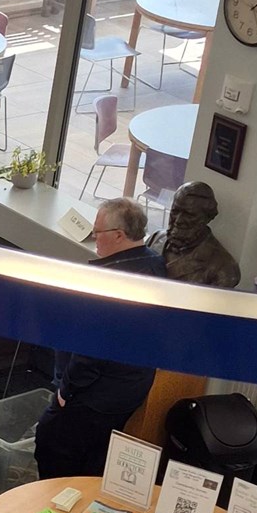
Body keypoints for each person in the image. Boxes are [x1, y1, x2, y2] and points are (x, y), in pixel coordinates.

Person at [33, 197, 163, 480]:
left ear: (118, 235)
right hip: (132, 387)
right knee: (94, 459)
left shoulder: (108, 282)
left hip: (93, 394)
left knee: (51, 443)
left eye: (98, 232)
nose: (94, 238)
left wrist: (67, 392)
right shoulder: (156, 265)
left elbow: (92, 351)